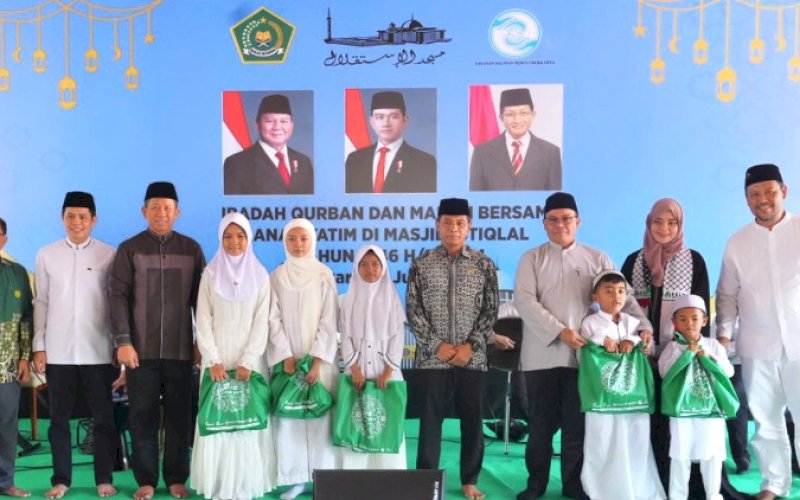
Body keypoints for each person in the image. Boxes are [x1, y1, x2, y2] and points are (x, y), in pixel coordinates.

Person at [513, 192, 652, 500]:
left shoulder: (597, 258)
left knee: (577, 427)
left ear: (578, 222)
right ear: (544, 223)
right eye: (553, 219)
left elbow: (622, 298)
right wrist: (560, 331)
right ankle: (535, 484)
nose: (560, 224)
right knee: (540, 427)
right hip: (542, 356)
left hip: (586, 359)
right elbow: (523, 300)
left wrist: (644, 326)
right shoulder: (532, 258)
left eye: (566, 218)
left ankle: (573, 484)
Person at [109, 182, 206, 500]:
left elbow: (202, 301)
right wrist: (123, 342)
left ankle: (177, 477)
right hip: (141, 351)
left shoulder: (191, 249)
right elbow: (118, 297)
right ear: (144, 211)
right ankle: (146, 479)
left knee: (180, 416)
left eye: (167, 208)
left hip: (181, 351)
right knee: (142, 416)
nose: (161, 213)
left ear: (177, 212)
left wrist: (200, 342)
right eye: (155, 207)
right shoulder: (129, 249)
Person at [191, 213, 293, 500]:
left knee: (248, 418)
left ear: (249, 239)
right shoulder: (209, 276)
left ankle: (247, 483)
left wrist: (249, 360)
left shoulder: (260, 275)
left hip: (251, 359)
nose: (234, 242)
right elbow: (203, 320)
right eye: (228, 236)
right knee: (220, 417)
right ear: (220, 239)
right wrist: (212, 360)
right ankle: (220, 484)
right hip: (217, 361)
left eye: (240, 236)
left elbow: (262, 322)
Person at [716, 163, 800, 500]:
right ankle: (773, 484)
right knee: (766, 420)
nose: (762, 199)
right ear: (747, 200)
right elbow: (726, 295)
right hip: (756, 344)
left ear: (784, 191)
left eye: (768, 191)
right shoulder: (737, 243)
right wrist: (723, 338)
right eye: (754, 194)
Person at [406, 198, 499, 500]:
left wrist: (471, 346)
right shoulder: (422, 264)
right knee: (430, 420)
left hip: (472, 358)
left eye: (460, 223)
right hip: (433, 359)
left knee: (473, 420)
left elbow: (491, 310)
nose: (453, 229)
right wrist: (436, 346)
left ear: (469, 226)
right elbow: (413, 310)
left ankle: (469, 480)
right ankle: (426, 480)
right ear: (437, 225)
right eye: (447, 222)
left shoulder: (483, 264)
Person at [32, 192, 117, 499]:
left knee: (104, 418)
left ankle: (104, 477)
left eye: (83, 217)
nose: (76, 222)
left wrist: (117, 348)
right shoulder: (46, 254)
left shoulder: (109, 254)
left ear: (93, 220)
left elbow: (114, 303)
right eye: (70, 216)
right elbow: (41, 301)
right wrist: (39, 346)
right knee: (58, 421)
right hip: (59, 350)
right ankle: (62, 480)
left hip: (98, 349)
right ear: (62, 218)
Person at [620, 198, 710, 489]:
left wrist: (697, 355)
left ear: (680, 225)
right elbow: (622, 309)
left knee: (678, 421)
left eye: (672, 222)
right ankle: (647, 483)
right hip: (641, 359)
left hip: (679, 359)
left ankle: (681, 485)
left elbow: (700, 313)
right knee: (645, 421)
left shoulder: (694, 260)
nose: (665, 228)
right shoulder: (633, 261)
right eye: (658, 222)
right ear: (648, 223)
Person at [579, 269, 665, 500]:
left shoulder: (633, 322)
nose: (616, 296)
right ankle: (602, 491)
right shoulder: (590, 322)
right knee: (603, 439)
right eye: (608, 291)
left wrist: (632, 339)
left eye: (620, 291)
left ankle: (638, 489)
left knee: (636, 439)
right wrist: (603, 340)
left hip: (633, 395)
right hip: (603, 396)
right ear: (596, 297)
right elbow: (590, 341)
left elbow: (643, 343)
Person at [270, 218, 339, 500]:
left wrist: (318, 359)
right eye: (292, 239)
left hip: (317, 361)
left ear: (313, 241)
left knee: (320, 414)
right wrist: (285, 355)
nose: (298, 245)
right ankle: (296, 479)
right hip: (288, 360)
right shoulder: (277, 276)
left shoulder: (323, 274)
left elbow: (329, 319)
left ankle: (324, 478)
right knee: (290, 419)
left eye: (304, 239)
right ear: (285, 242)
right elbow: (271, 318)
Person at [659, 294, 733, 500]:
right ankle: (678, 496)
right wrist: (685, 355)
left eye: (694, 318)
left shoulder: (714, 345)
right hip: (683, 410)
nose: (689, 323)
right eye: (682, 319)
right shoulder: (672, 347)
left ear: (704, 321)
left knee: (712, 455)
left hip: (710, 409)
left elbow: (729, 371)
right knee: (680, 454)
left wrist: (709, 358)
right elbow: (664, 372)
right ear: (674, 323)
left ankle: (713, 494)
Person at [339, 244, 407, 469]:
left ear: (383, 267)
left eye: (375, 264)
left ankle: (387, 480)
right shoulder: (348, 299)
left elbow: (398, 336)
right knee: (356, 421)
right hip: (356, 371)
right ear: (356, 268)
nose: (370, 269)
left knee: (385, 422)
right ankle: (356, 481)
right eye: (364, 264)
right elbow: (345, 335)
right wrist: (355, 369)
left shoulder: (392, 299)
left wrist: (388, 370)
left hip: (385, 371)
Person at [469, 87, 562, 191]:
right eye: (510, 114)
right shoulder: (481, 152)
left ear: (533, 115)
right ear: (501, 118)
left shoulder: (551, 152)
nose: (517, 120)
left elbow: (556, 198)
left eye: (523, 113)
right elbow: (474, 197)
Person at [345, 90, 436, 193]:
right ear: (371, 122)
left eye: (394, 117)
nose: (386, 123)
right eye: (380, 117)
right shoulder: (354, 160)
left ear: (405, 121)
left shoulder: (425, 162)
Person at [0, 217, 33, 499]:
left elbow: (25, 319)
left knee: (7, 425)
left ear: (4, 239)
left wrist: (24, 358)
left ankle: (5, 482)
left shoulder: (18, 273)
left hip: (7, 365)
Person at [224, 94, 314, 195]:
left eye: (284, 121)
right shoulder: (237, 163)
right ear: (257, 125)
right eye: (270, 121)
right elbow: (229, 207)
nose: (277, 127)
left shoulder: (304, 162)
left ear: (292, 125)